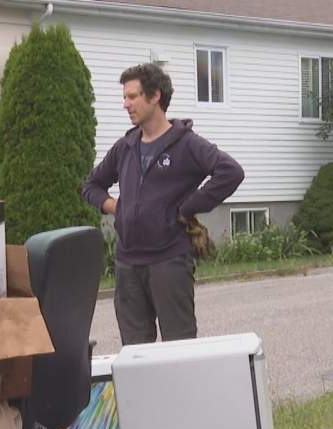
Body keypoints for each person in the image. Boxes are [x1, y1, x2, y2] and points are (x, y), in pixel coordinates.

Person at [82, 63, 245, 345]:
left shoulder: (186, 144)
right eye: (125, 97)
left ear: (155, 96)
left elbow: (231, 172)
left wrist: (187, 207)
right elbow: (91, 186)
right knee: (136, 355)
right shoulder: (126, 147)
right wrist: (115, 207)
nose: (126, 104)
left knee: (179, 350)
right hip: (127, 265)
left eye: (132, 97)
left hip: (169, 262)